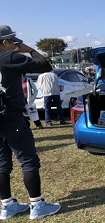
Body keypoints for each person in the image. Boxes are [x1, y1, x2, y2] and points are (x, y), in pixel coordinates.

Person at [0, 25, 61, 220]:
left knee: (1, 165)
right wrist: (29, 50)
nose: (16, 44)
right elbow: (45, 65)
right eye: (13, 42)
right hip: (12, 116)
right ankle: (37, 204)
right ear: (5, 42)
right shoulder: (8, 57)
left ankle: (7, 205)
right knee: (28, 162)